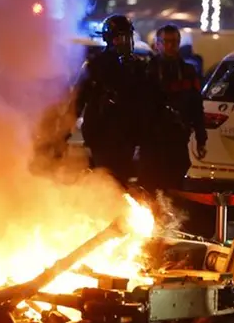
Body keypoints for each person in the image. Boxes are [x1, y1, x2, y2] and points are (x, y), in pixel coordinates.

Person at [74, 15, 153, 185]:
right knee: (105, 180)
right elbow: (78, 99)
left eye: (127, 37)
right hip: (102, 137)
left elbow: (146, 101)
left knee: (122, 180)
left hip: (127, 137)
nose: (125, 42)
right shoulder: (95, 66)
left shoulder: (137, 67)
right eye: (120, 38)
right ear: (110, 39)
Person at [139, 24, 207, 193]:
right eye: (166, 42)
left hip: (176, 139)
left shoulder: (187, 72)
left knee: (175, 188)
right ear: (157, 44)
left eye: (174, 42)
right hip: (152, 141)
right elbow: (137, 107)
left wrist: (201, 137)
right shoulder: (146, 70)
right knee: (151, 188)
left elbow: (196, 106)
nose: (170, 46)